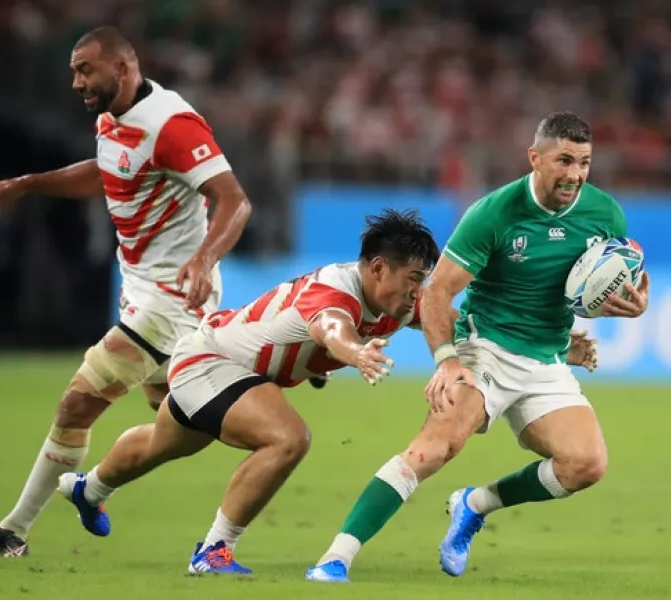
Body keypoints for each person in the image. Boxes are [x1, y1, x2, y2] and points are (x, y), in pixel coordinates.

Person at [306, 111, 649, 583]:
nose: (574, 174)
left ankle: (474, 505)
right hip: (484, 347)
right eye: (564, 160)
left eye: (584, 163)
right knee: (434, 449)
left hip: (544, 359)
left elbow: (592, 282)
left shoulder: (605, 213)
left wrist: (627, 305)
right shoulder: (493, 213)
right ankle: (335, 557)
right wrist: (446, 361)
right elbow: (439, 292)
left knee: (585, 464)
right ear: (535, 158)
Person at [0, 26, 252, 557]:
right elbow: (106, 174)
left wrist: (202, 258)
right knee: (180, 417)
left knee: (78, 402)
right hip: (139, 287)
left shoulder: (172, 124)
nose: (75, 80)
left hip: (172, 297)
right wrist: (26, 184)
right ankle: (94, 488)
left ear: (122, 69)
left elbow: (234, 201)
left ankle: (13, 532)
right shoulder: (113, 118)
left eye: (84, 69)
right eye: (74, 70)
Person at [54, 209, 441, 574]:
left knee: (164, 442)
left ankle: (89, 488)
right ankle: (214, 550)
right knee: (288, 438)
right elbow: (332, 328)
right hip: (211, 361)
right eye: (414, 277)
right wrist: (355, 352)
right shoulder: (335, 292)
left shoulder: (398, 300)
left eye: (422, 279)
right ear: (378, 268)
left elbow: (443, 320)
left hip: (220, 363)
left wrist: (479, 347)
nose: (417, 290)